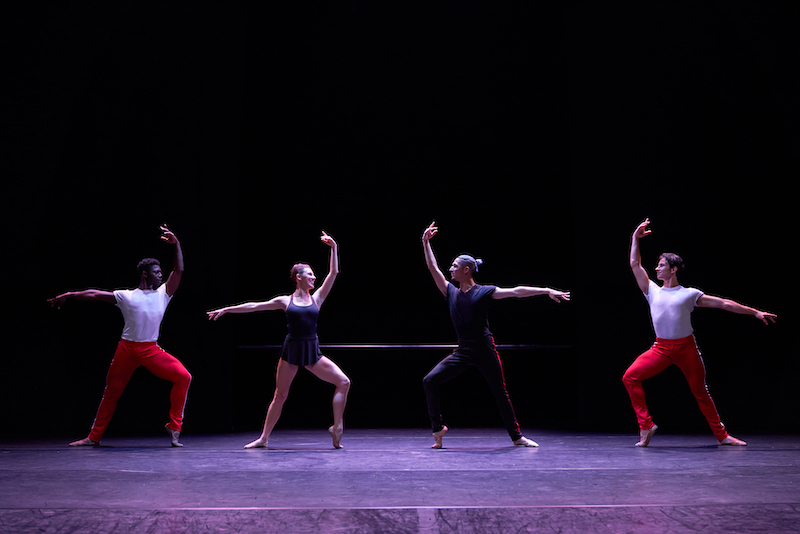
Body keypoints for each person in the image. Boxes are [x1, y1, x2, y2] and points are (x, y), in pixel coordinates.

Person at [624, 218, 777, 447]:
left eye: (661, 265)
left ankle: (722, 436)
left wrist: (754, 312)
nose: (656, 268)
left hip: (686, 348)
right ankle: (646, 426)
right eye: (656, 265)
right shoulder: (651, 290)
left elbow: (724, 304)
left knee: (700, 392)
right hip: (661, 348)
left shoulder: (689, 294)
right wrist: (635, 238)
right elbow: (635, 264)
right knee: (630, 377)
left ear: (673, 269)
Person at [421, 222, 570, 449]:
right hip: (463, 351)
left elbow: (517, 292)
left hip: (484, 349)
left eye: (454, 266)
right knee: (429, 380)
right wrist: (425, 242)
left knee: (500, 392)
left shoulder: (484, 292)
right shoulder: (450, 291)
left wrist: (547, 290)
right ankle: (438, 429)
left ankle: (517, 437)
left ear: (466, 270)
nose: (450, 269)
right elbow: (433, 269)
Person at [48, 224, 191, 447]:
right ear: (145, 274)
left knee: (184, 377)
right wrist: (69, 295)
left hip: (150, 350)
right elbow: (94, 294)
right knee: (111, 393)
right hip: (127, 349)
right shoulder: (126, 296)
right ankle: (93, 437)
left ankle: (174, 425)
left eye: (161, 271)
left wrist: (177, 244)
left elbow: (179, 270)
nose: (160, 274)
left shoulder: (164, 294)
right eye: (156, 271)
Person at [207, 232, 350, 450]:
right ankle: (263, 438)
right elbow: (255, 306)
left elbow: (334, 272)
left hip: (312, 351)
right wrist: (227, 309)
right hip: (291, 351)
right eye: (310, 274)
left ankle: (337, 427)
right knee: (280, 394)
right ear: (299, 277)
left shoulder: (317, 298)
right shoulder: (285, 300)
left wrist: (334, 247)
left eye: (314, 275)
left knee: (344, 381)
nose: (314, 277)